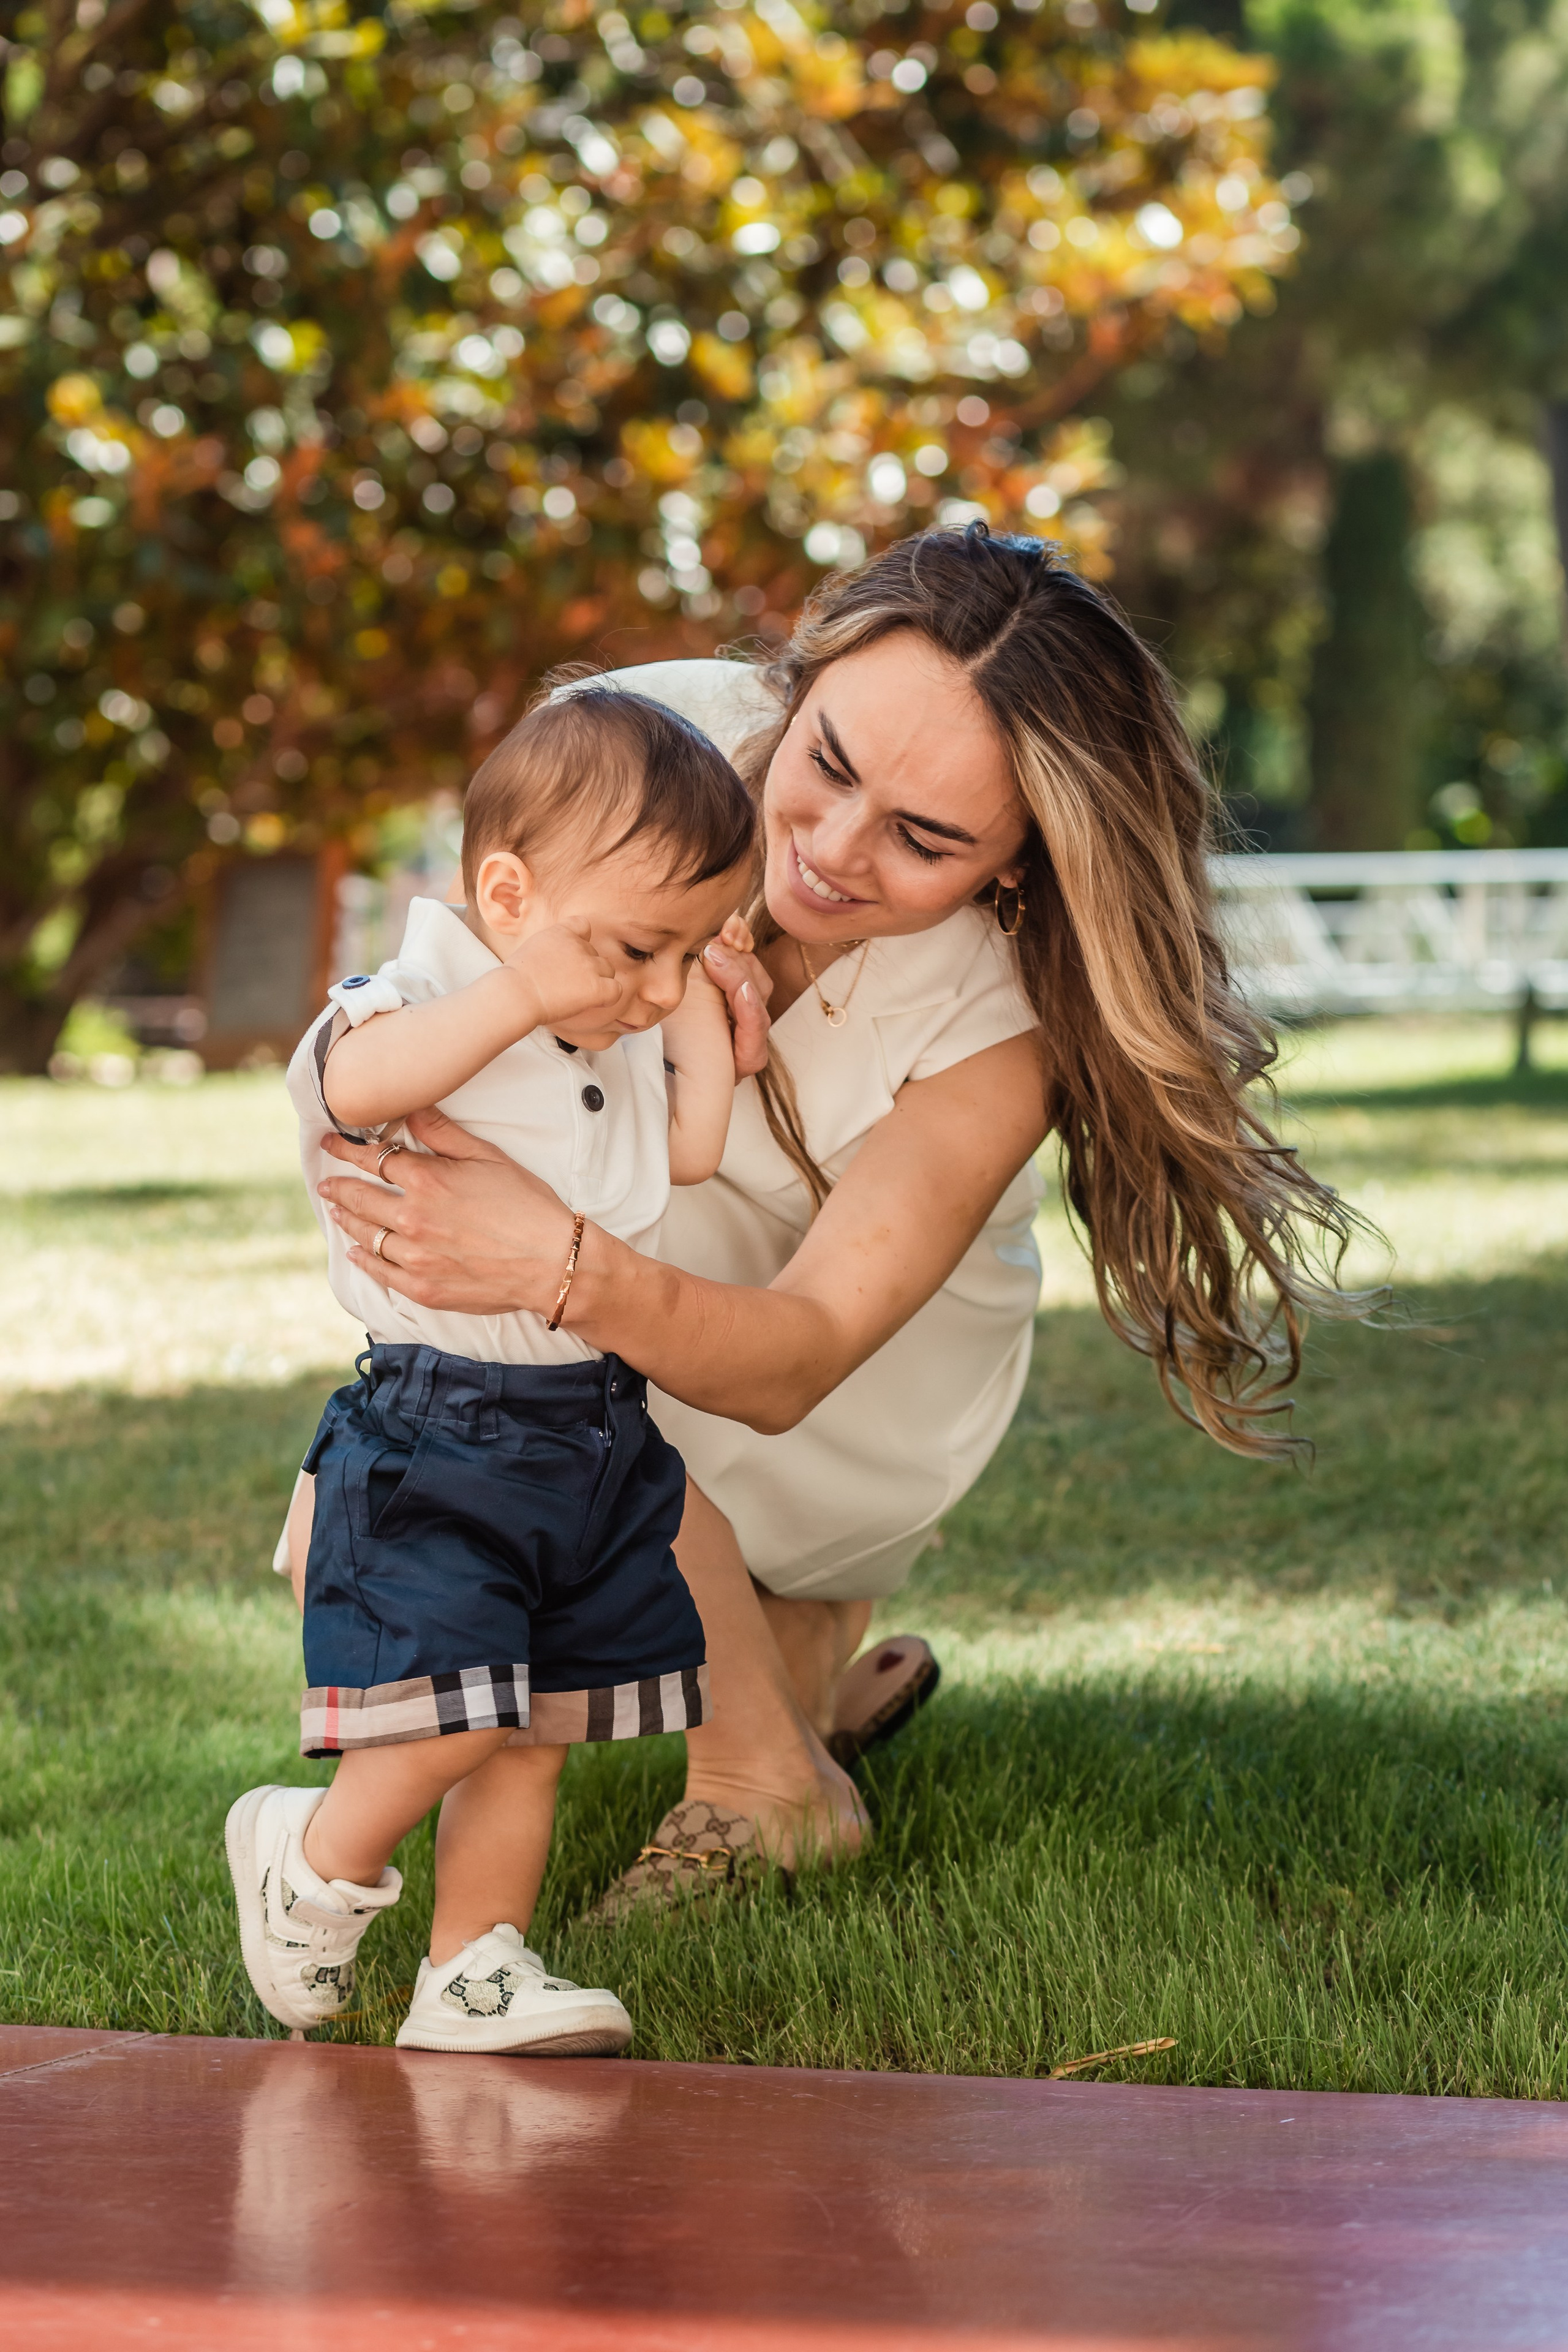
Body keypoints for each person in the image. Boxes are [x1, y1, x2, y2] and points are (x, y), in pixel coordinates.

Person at [305, 524, 1355, 1916]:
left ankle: (766, 1778)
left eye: (924, 839)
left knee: (568, 1380)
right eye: (828, 765)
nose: (830, 854)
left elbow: (798, 1354)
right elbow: (451, 1031)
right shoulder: (630, 750)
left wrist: (555, 1265)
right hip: (654, 1234)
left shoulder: (1002, 1023)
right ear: (796, 689)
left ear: (1016, 867)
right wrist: (674, 985)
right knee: (455, 1403)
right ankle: (791, 1660)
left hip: (855, 1372)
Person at [227, 687, 755, 2046]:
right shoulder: (417, 999)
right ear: (510, 897)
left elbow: (690, 1152)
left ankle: (474, 1967)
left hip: (592, 1428)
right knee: (457, 1719)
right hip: (438, 1428)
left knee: (533, 1733)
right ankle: (310, 1860)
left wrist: (703, 1002)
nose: (655, 988)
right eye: (637, 949)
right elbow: (351, 1087)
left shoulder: (619, 1034)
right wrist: (521, 994)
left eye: (685, 952)